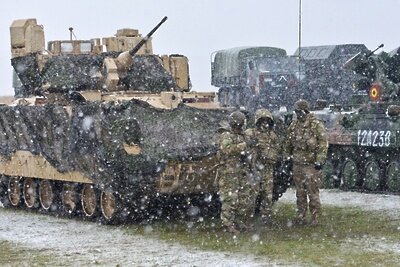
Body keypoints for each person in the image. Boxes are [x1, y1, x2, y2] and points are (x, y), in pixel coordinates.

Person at [284, 99, 328, 226]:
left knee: (312, 192)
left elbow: (322, 143)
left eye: (299, 111)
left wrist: (320, 160)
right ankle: (301, 216)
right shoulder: (294, 125)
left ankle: (315, 218)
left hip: (310, 164)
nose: (298, 114)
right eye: (296, 112)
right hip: (297, 164)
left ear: (305, 111)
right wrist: (287, 157)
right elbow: (288, 143)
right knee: (300, 193)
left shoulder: (315, 125)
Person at [245, 108, 280, 225]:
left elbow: (277, 150)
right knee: (251, 194)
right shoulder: (250, 133)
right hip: (254, 169)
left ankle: (266, 217)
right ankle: (248, 218)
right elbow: (245, 149)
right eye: (262, 120)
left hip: (268, 169)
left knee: (268, 195)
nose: (265, 123)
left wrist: (271, 157)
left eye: (267, 120)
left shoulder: (272, 136)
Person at [218, 111, 250, 233]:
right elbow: (226, 149)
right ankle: (228, 224)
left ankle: (239, 222)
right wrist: (243, 146)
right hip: (229, 172)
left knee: (243, 198)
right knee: (230, 199)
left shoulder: (242, 135)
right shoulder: (226, 135)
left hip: (242, 171)